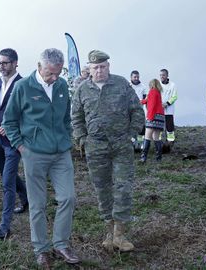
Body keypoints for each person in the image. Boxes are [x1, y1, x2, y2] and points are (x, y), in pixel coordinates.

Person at [2, 48, 80, 268]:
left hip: (61, 153)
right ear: (39, 66)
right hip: (34, 154)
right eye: (50, 73)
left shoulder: (63, 85)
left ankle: (61, 244)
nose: (54, 78)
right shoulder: (22, 87)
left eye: (57, 73)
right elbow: (9, 121)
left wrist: (67, 137)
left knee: (68, 198)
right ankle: (41, 249)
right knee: (37, 204)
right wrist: (21, 147)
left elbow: (66, 116)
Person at [71, 50, 145, 252]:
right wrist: (82, 140)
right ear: (90, 68)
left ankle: (120, 235)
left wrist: (131, 134)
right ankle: (109, 232)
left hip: (121, 146)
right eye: (95, 67)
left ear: (108, 66)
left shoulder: (121, 84)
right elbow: (76, 117)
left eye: (103, 66)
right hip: (95, 147)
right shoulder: (82, 89)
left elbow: (137, 111)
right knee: (102, 190)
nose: (99, 70)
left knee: (123, 188)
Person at [0, 48, 28, 240]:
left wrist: (12, 128)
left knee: (7, 182)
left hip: (13, 142)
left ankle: (4, 227)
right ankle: (26, 199)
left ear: (15, 63)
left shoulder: (25, 84)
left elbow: (28, 115)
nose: (1, 67)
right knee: (6, 175)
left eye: (5, 63)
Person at [140, 79, 165, 162]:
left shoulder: (152, 91)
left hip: (153, 116)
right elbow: (147, 101)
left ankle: (143, 157)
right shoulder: (158, 92)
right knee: (156, 138)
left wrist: (149, 117)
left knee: (147, 137)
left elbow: (152, 105)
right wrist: (140, 101)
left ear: (151, 84)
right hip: (160, 117)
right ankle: (159, 158)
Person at [130, 70, 148, 151]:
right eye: (135, 77)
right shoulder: (128, 86)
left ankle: (140, 145)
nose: (136, 78)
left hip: (140, 110)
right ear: (131, 77)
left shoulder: (143, 87)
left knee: (141, 128)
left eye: (137, 77)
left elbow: (146, 99)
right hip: (130, 111)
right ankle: (133, 144)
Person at [159, 69, 178, 144]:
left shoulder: (173, 85)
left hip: (169, 109)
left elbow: (175, 96)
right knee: (159, 125)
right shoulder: (158, 84)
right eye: (160, 75)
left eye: (163, 75)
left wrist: (167, 103)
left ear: (167, 75)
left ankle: (170, 141)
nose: (162, 76)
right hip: (159, 109)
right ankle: (159, 141)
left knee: (169, 126)